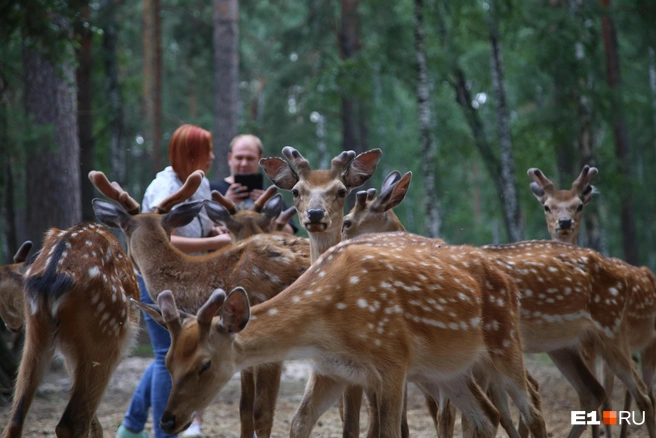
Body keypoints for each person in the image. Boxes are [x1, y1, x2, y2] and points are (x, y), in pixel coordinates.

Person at [116, 124, 231, 438]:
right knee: (165, 353)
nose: (213, 157)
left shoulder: (200, 184)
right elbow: (167, 243)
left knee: (163, 353)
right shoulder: (163, 188)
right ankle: (162, 435)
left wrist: (216, 235)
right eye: (207, 151)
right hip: (155, 280)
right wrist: (220, 245)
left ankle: (131, 426)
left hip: (187, 279)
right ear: (192, 154)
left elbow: (203, 230)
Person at [210, 134, 297, 234]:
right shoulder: (213, 190)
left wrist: (268, 211)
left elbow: (289, 233)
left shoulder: (268, 194)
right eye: (239, 158)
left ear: (260, 160)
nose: (244, 164)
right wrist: (224, 205)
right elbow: (201, 231)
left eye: (250, 158)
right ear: (230, 158)